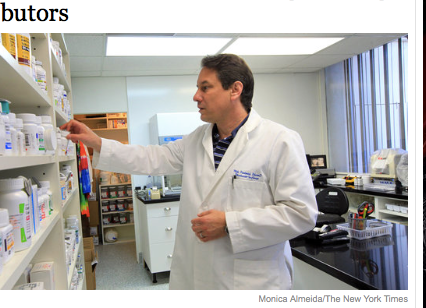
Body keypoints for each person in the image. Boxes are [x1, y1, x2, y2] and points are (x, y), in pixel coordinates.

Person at [61, 54, 317, 290]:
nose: (196, 96)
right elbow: (150, 157)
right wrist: (98, 142)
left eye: (205, 87)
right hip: (199, 277)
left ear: (235, 90)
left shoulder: (279, 140)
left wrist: (230, 224)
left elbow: (301, 213)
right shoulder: (196, 140)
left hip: (252, 281)